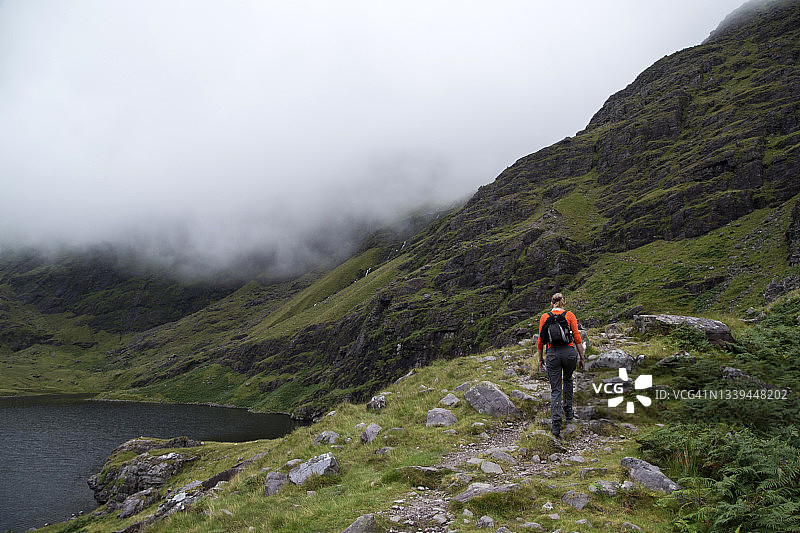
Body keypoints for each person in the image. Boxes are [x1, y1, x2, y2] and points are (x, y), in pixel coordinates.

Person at [537, 292, 585, 438]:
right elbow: (577, 338)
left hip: (552, 353)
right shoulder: (570, 315)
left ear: (552, 304)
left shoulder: (545, 317)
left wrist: (541, 358)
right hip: (569, 353)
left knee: (556, 389)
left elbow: (541, 340)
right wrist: (582, 357)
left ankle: (556, 425)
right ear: (563, 303)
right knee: (568, 380)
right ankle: (569, 413)